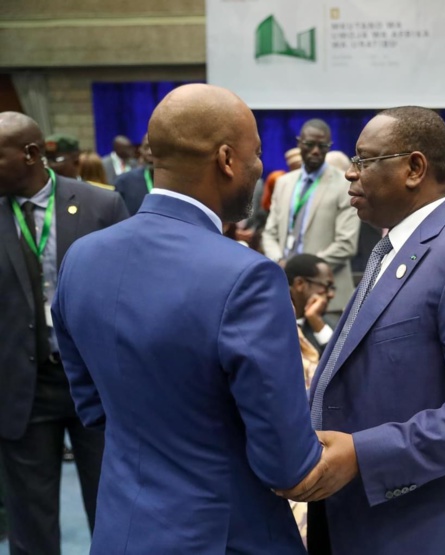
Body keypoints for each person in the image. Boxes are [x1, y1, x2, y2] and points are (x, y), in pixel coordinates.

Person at [51, 84, 326, 553]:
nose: (260, 167)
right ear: (226, 159)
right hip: (225, 536)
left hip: (122, 529)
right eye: (257, 153)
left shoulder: (81, 257)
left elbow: (93, 409)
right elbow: (287, 463)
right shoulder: (249, 276)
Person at [280, 106, 445, 555]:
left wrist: (363, 455)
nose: (350, 174)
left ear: (414, 168)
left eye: (364, 160)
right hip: (364, 518)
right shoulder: (393, 249)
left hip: (426, 525)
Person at [0, 111, 129, 554]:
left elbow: (131, 293)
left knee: (113, 508)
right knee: (29, 521)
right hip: (22, 388)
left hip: (96, 384)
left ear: (30, 154)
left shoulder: (101, 206)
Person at [262, 119, 360, 317]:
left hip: (328, 297)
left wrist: (303, 271)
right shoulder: (283, 182)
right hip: (285, 292)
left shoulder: (344, 184)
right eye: (309, 144)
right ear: (299, 143)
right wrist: (279, 261)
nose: (316, 151)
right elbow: (269, 233)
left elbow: (346, 244)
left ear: (329, 146)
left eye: (322, 146)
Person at [285, 253, 336, 359]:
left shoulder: (329, 324)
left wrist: (317, 324)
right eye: (326, 286)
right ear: (300, 284)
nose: (331, 294)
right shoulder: (272, 323)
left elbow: (341, 363)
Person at [114, 133, 153, 216]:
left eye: (154, 148)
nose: (150, 152)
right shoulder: (124, 182)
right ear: (140, 150)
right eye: (146, 147)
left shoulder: (176, 181)